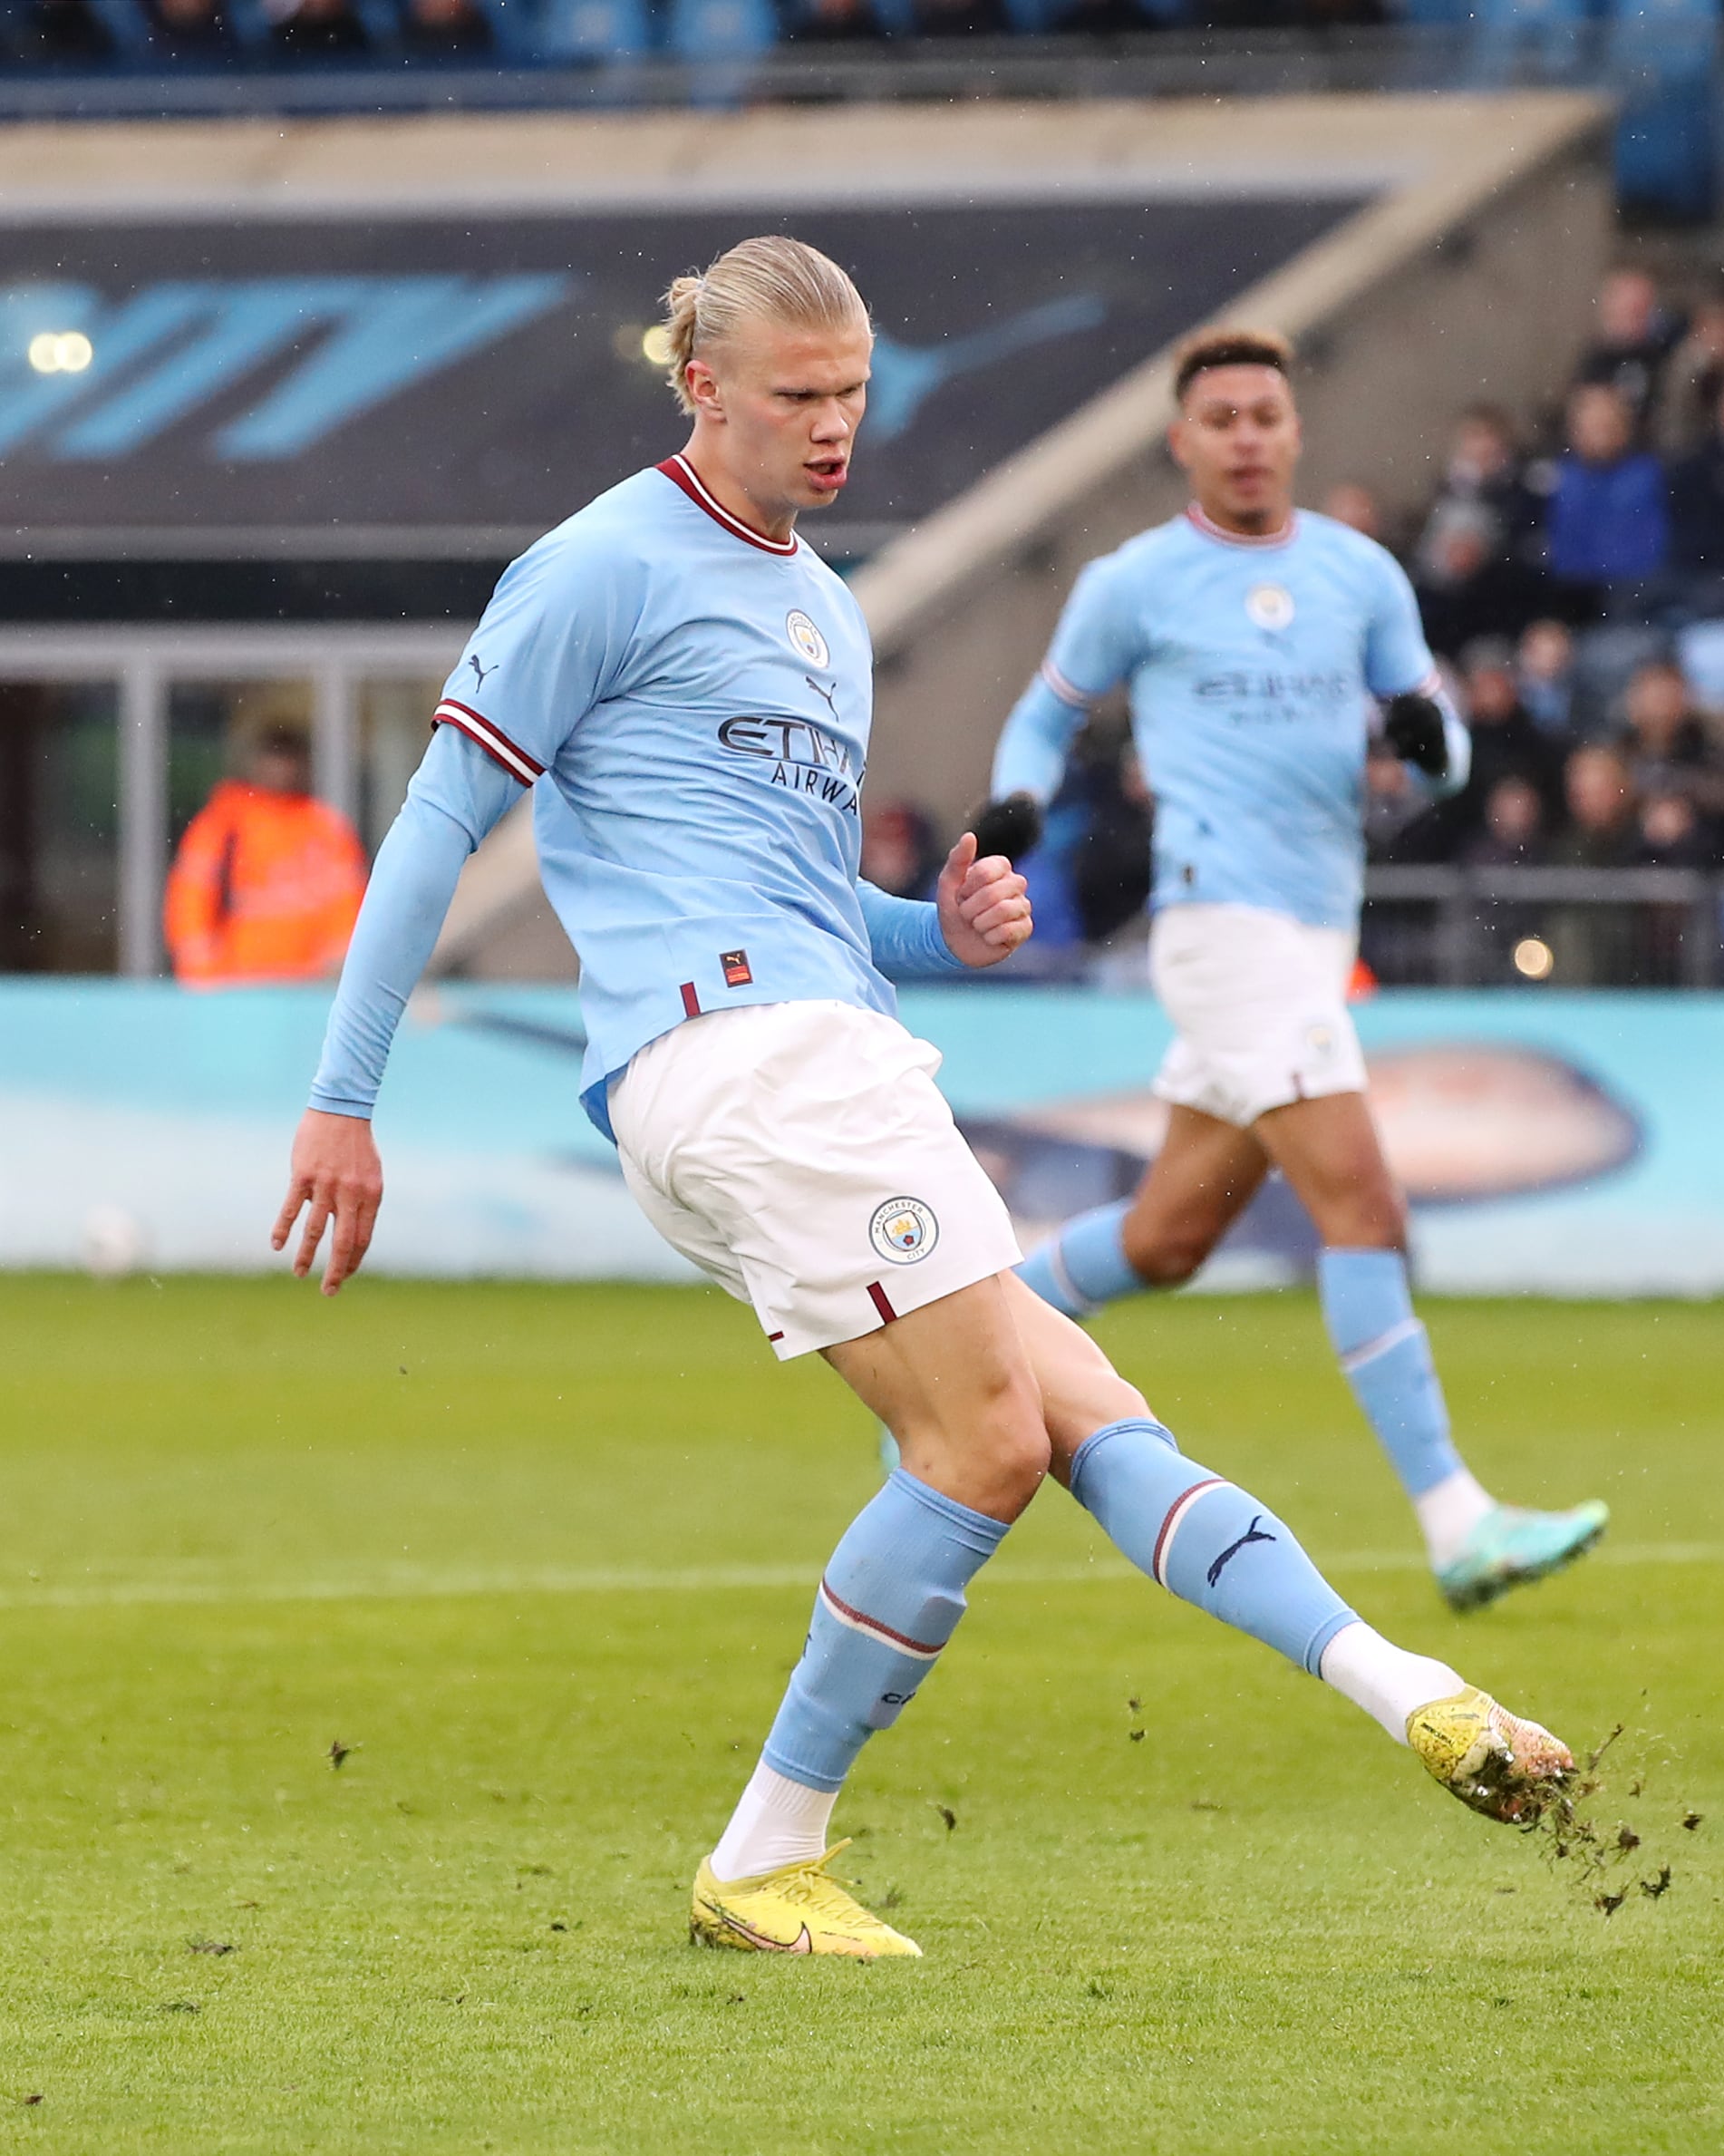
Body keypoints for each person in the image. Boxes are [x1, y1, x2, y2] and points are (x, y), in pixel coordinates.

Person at [271, 241, 1573, 1963]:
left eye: (854, 394)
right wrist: (342, 1096)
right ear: (702, 385)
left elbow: (813, 904)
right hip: (742, 1063)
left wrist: (933, 930)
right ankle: (763, 1853)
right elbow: (438, 821)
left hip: (817, 1044)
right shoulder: (597, 564)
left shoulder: (825, 609)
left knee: (1092, 1409)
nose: (832, 428)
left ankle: (1413, 1690)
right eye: (798, 395)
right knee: (986, 1439)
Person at [981, 325, 1609, 1613]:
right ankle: (1458, 1520)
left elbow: (1442, 758)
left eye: (1265, 414)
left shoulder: (1358, 576)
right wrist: (1018, 803)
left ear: (1294, 430)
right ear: (1183, 441)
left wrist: (1433, 741)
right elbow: (1046, 709)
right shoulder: (1135, 581)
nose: (1247, 437)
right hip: (1222, 929)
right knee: (1366, 1213)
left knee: (1165, 1237)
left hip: (1314, 935)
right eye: (1221, 419)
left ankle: (965, 1345)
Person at [163, 721, 365, 986]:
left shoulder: (326, 828)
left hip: (309, 989)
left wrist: (335, 974)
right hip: (237, 987)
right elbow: (189, 901)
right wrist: (203, 977)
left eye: (288, 759)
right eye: (274, 757)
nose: (281, 769)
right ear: (255, 764)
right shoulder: (223, 826)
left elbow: (348, 907)